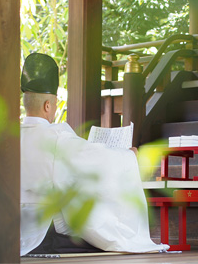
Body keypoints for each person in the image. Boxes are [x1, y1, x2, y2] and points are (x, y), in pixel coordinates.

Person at [20, 53, 169, 256]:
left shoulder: (7, 138)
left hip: (13, 228)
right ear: (48, 106)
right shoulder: (55, 137)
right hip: (44, 230)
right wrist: (129, 155)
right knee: (95, 227)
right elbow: (100, 160)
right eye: (54, 105)